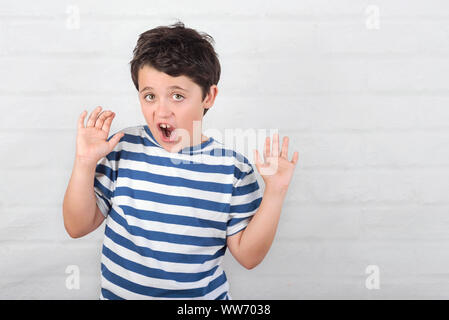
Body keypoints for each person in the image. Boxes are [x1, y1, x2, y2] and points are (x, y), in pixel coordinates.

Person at [62, 21, 299, 300]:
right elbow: (77, 227)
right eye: (149, 96)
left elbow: (248, 257)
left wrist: (276, 192)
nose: (162, 111)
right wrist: (84, 163)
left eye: (177, 96)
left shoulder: (233, 170)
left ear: (208, 96)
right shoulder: (120, 148)